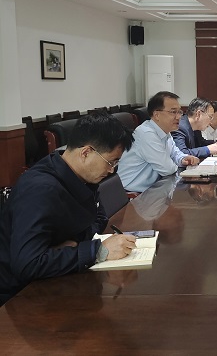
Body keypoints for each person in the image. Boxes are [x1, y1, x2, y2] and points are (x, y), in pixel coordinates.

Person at [0, 112, 137, 305]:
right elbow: (27, 264)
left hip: (57, 278)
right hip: (21, 296)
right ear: (86, 153)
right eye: (110, 162)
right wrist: (97, 251)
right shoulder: (40, 189)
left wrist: (72, 245)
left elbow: (99, 220)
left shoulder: (82, 177)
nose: (111, 170)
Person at [117, 91, 199, 193]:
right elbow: (167, 169)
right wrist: (176, 162)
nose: (178, 117)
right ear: (156, 115)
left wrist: (183, 159)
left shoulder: (165, 131)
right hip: (132, 194)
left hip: (154, 189)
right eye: (173, 112)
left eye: (179, 112)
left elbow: (175, 153)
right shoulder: (146, 134)